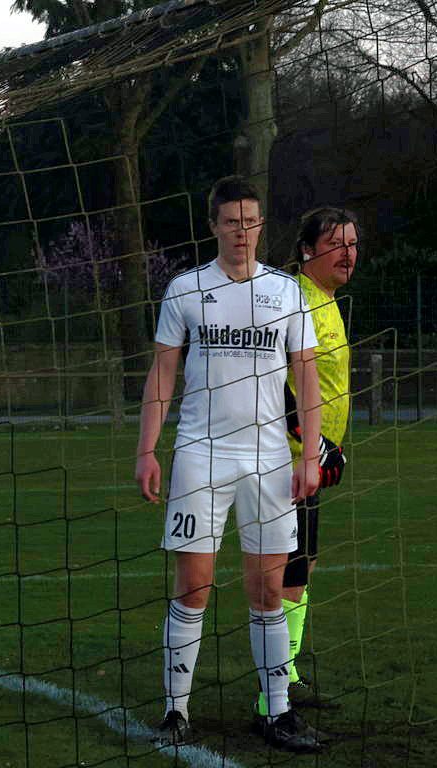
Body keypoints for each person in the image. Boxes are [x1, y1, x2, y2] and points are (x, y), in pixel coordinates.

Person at [134, 176, 324, 753]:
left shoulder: (286, 292)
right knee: (193, 586)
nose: (242, 232)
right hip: (200, 456)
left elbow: (307, 376)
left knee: (268, 591)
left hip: (269, 461)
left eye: (250, 222)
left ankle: (277, 710)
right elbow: (163, 373)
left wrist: (308, 454)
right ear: (214, 226)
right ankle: (175, 710)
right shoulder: (186, 289)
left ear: (261, 225)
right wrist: (147, 449)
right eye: (231, 222)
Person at [253, 207, 357, 719]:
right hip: (285, 463)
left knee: (304, 566)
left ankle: (287, 676)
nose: (348, 254)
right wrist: (313, 445)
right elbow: (274, 382)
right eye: (337, 244)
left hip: (310, 464)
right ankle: (272, 691)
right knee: (285, 575)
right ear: (307, 250)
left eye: (353, 244)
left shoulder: (328, 301)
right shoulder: (293, 300)